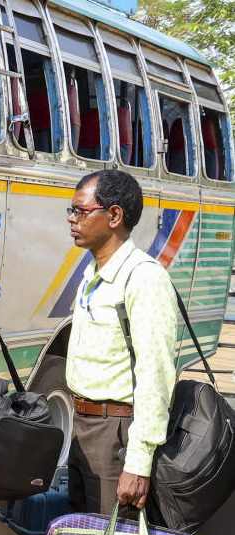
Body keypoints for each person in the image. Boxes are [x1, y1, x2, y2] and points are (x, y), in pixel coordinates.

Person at [65, 169, 177, 515]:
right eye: (71, 211)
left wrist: (139, 462)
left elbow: (156, 374)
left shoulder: (143, 278)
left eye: (81, 212)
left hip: (116, 436)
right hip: (83, 426)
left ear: (114, 216)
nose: (72, 220)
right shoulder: (92, 273)